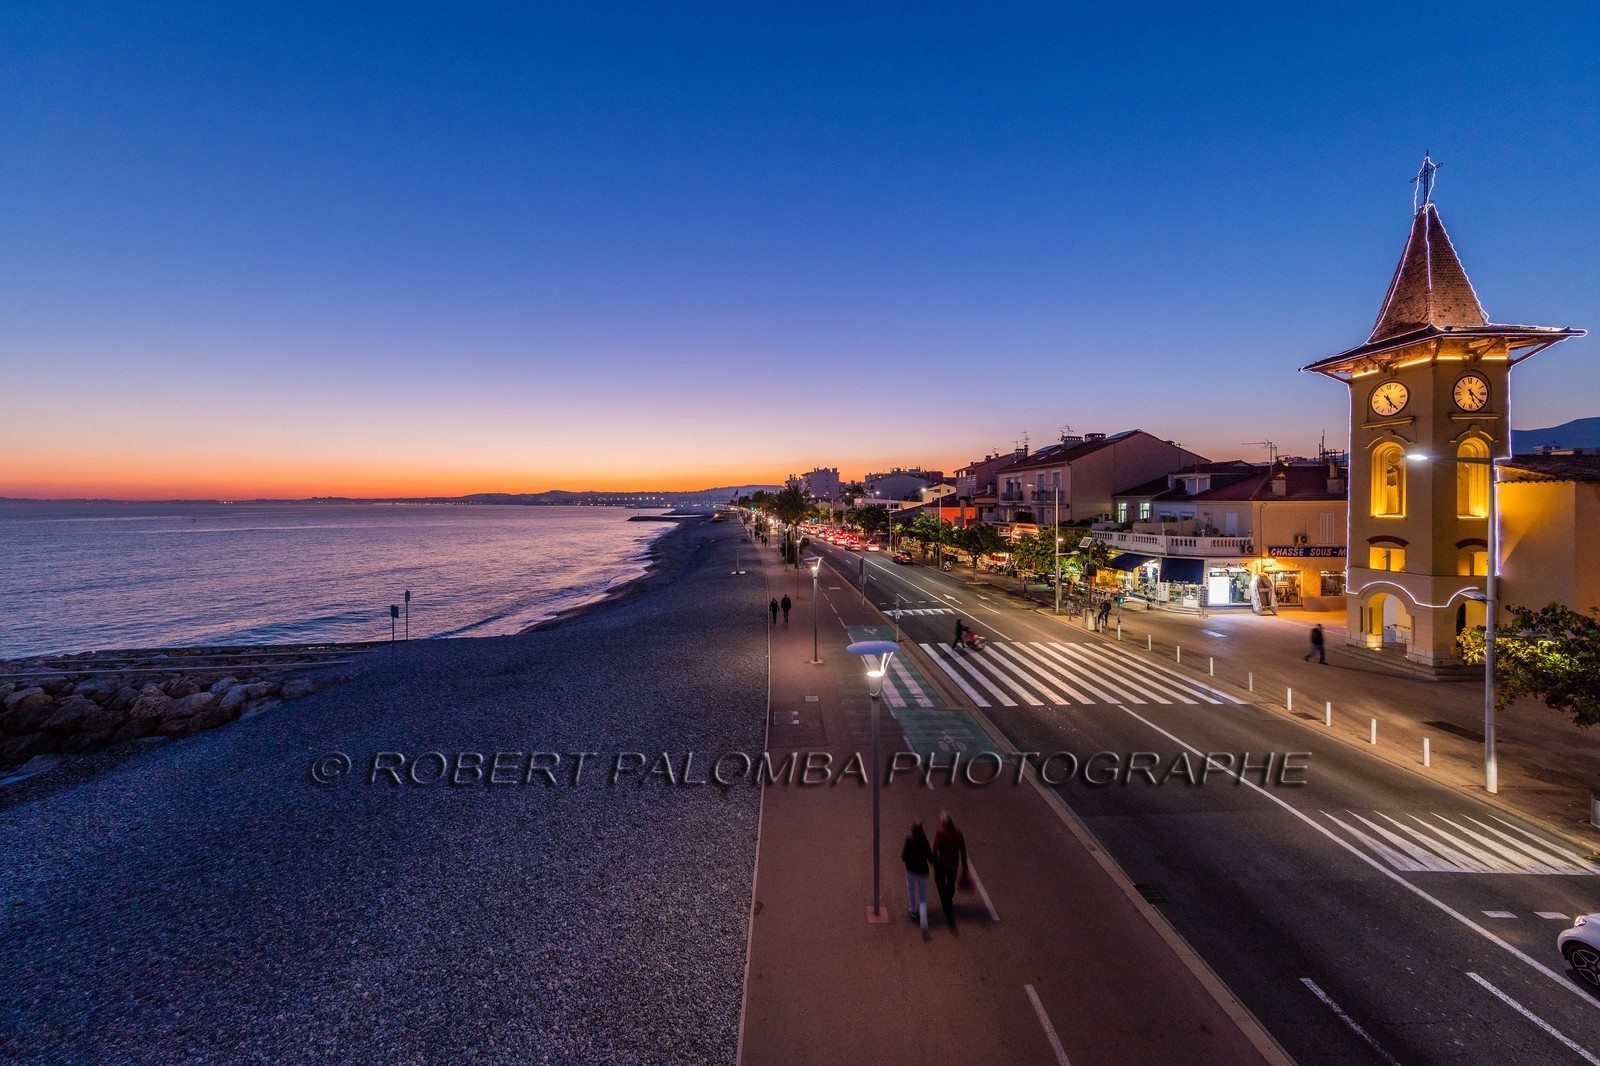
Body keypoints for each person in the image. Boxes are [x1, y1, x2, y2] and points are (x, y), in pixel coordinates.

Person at [932, 811, 968, 932]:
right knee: (951, 883)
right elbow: (963, 851)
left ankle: (946, 906)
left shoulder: (940, 834)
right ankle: (949, 900)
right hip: (953, 865)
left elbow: (934, 849)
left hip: (942, 865)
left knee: (940, 884)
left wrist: (934, 863)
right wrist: (964, 867)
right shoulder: (958, 834)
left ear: (943, 823)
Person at [901, 821, 934, 933]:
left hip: (910, 870)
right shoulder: (924, 841)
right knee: (922, 893)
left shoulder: (909, 840)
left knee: (911, 889)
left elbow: (904, 855)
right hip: (922, 871)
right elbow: (930, 857)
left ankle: (913, 910)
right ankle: (923, 917)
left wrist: (907, 858)